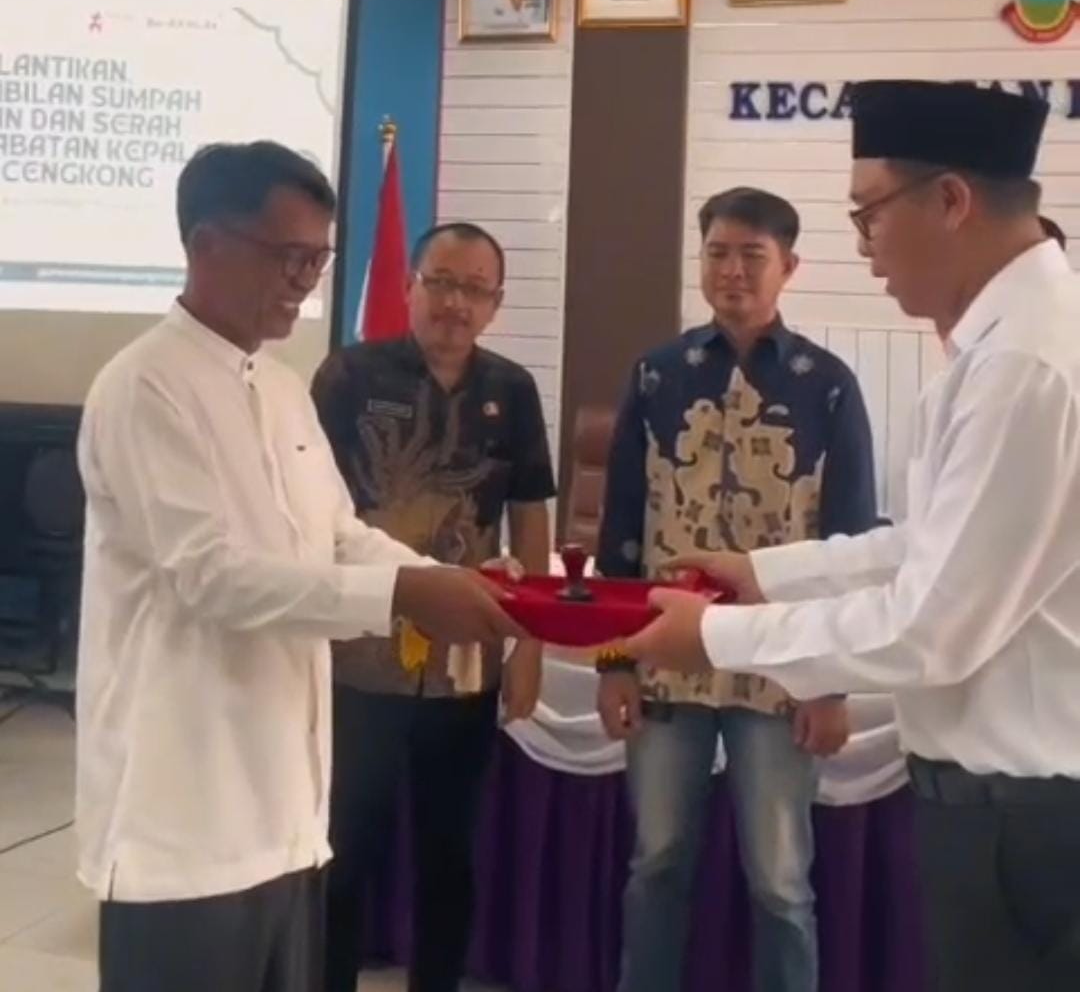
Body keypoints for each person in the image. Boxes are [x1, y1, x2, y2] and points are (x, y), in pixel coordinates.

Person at [627, 82, 1080, 992]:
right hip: (1000, 799)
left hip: (1023, 811)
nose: (865, 247)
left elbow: (931, 624)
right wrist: (764, 572)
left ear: (949, 201)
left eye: (869, 214)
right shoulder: (1007, 344)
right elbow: (921, 543)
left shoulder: (1026, 363)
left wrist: (716, 634)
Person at [76, 142, 518, 992]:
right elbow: (211, 576)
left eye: (317, 258)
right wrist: (405, 592)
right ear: (206, 244)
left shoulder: (281, 389)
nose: (305, 280)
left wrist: (450, 582)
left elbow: (339, 534)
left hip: (287, 810)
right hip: (184, 818)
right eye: (288, 256)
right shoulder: (144, 387)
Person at [596, 187, 877, 992]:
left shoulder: (826, 385)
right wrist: (614, 660)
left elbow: (849, 544)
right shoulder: (658, 375)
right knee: (656, 860)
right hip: (666, 653)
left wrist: (829, 682)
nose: (732, 270)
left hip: (780, 666)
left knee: (781, 882)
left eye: (752, 255)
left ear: (789, 266)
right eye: (717, 252)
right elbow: (622, 528)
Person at [312, 221, 555, 992]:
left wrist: (531, 644)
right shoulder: (347, 376)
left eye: (474, 289)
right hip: (358, 654)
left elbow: (531, 517)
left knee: (450, 855)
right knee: (343, 849)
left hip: (465, 663)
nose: (456, 302)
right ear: (409, 285)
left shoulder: (513, 389)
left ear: (495, 303)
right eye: (441, 282)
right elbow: (309, 511)